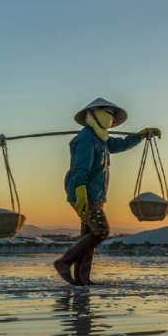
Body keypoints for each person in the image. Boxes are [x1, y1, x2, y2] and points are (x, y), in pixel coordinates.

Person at [54, 98, 161, 285]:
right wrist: (81, 196)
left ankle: (82, 279)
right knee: (101, 231)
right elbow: (80, 170)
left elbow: (121, 144)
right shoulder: (86, 139)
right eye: (108, 114)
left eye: (113, 116)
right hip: (85, 195)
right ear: (93, 114)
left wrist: (141, 135)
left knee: (90, 234)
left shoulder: (101, 139)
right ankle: (64, 262)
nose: (111, 119)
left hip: (95, 196)